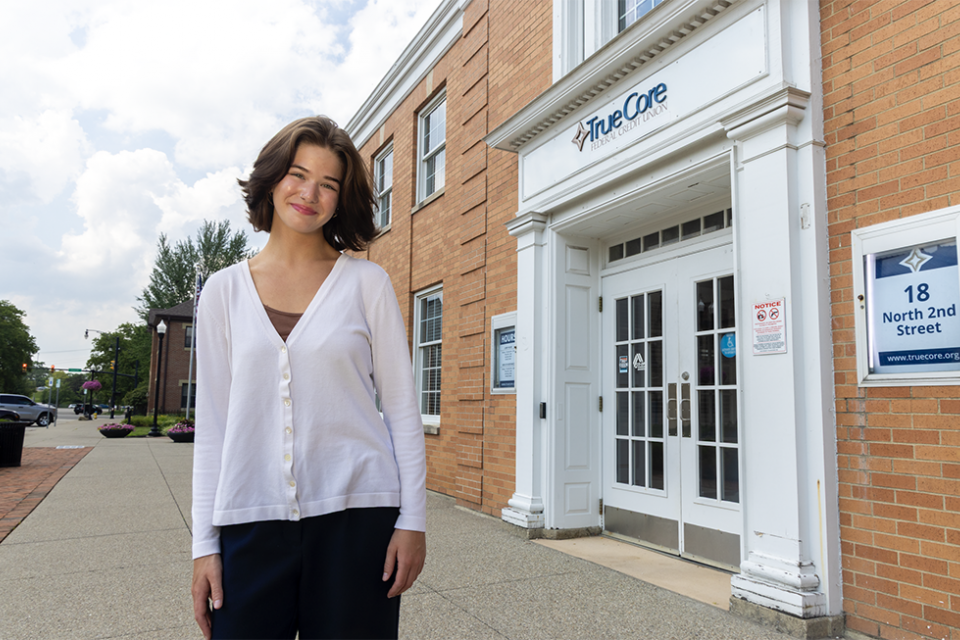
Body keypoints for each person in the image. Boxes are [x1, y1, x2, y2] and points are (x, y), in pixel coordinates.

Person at [190, 116, 427, 640]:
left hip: (358, 522)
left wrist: (413, 522)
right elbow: (213, 429)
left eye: (328, 183)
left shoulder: (368, 283)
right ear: (273, 179)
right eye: (298, 174)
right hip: (250, 521)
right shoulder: (224, 293)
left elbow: (403, 413)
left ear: (341, 199)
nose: (309, 193)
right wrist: (204, 545)